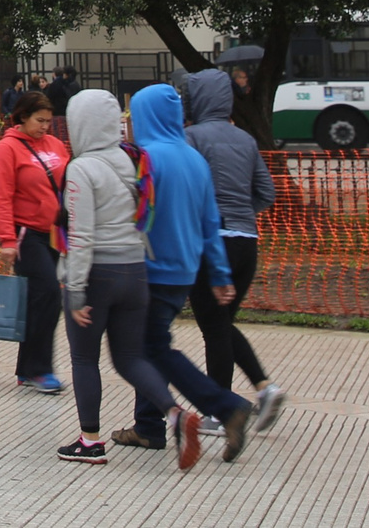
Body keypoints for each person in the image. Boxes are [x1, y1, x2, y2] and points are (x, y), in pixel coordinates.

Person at [120, 84, 254, 465]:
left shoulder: (147, 159)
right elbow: (211, 223)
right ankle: (147, 424)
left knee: (151, 350)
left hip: (151, 268)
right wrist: (220, 274)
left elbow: (137, 218)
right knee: (148, 346)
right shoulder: (194, 159)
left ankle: (226, 407)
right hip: (185, 272)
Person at [56, 89, 169, 463]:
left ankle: (90, 440)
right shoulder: (132, 160)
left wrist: (74, 290)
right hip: (135, 271)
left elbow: (81, 235)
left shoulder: (81, 168)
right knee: (132, 357)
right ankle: (176, 413)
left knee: (85, 358)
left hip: (97, 276)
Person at [182, 70, 286, 431]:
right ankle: (261, 388)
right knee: (221, 324)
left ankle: (221, 408)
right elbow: (267, 193)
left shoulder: (191, 137)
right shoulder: (245, 139)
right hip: (247, 242)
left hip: (213, 243)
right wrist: (242, 213)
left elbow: (188, 189)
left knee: (214, 325)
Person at [0, 89, 72, 394]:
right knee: (49, 293)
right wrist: (7, 240)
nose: (45, 126)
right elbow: (0, 196)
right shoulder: (7, 149)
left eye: (49, 121)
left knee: (41, 299)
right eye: (39, 120)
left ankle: (28, 368)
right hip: (27, 234)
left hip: (55, 232)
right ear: (22, 117)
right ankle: (39, 369)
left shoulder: (54, 144)